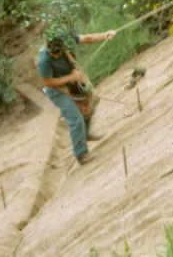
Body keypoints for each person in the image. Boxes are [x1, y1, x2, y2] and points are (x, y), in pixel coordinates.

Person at [39, 29, 116, 165]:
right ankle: (81, 154)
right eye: (53, 54)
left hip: (72, 81)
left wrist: (104, 35)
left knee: (90, 102)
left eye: (58, 52)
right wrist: (71, 77)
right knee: (75, 117)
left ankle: (85, 133)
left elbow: (86, 38)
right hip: (57, 90)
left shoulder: (65, 39)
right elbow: (48, 82)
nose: (56, 56)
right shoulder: (44, 60)